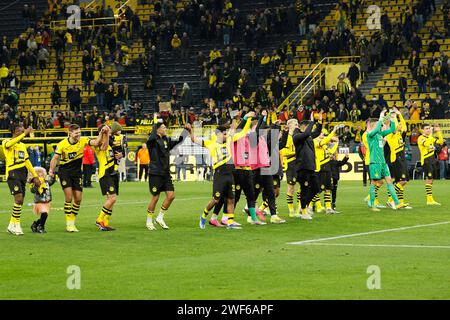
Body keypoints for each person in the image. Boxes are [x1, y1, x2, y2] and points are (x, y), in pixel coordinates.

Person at [188, 117, 251, 229]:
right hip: (220, 174)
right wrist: (190, 131)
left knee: (231, 199)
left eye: (226, 134)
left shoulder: (229, 141)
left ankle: (230, 223)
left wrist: (243, 119)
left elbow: (239, 131)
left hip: (230, 175)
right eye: (224, 134)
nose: (226, 136)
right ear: (218, 135)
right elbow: (194, 139)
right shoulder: (210, 144)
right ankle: (203, 216)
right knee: (216, 199)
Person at [49, 124, 106, 232]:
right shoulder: (62, 144)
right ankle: (69, 223)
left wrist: (101, 132)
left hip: (77, 173)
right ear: (70, 133)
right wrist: (51, 171)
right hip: (64, 172)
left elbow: (96, 142)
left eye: (79, 132)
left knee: (78, 198)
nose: (78, 135)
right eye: (76, 133)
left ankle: (72, 220)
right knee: (69, 197)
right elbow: (55, 158)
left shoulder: (83, 140)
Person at [145, 116, 189, 231]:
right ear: (157, 129)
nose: (165, 129)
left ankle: (160, 217)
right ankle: (149, 221)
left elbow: (179, 140)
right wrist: (157, 123)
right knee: (155, 198)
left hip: (165, 173)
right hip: (155, 173)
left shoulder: (166, 140)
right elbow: (152, 136)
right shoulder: (152, 141)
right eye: (163, 128)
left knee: (171, 196)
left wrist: (186, 131)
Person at [365, 110, 408, 211]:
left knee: (389, 181)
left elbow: (392, 129)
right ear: (372, 126)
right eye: (377, 125)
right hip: (374, 162)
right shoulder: (370, 135)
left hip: (383, 163)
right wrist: (381, 117)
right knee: (374, 182)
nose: (379, 126)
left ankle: (397, 203)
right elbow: (375, 130)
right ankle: (372, 204)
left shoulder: (380, 134)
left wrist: (392, 118)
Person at [3, 125, 41, 235]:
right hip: (12, 172)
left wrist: (35, 176)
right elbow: (9, 144)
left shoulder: (23, 146)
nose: (22, 132)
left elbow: (27, 161)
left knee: (21, 201)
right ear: (14, 132)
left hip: (22, 173)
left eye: (23, 131)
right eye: (20, 131)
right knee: (18, 199)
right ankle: (17, 225)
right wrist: (25, 133)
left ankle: (12, 224)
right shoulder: (6, 141)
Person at [291, 112, 322, 219]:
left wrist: (319, 122)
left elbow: (317, 132)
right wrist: (312, 121)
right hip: (302, 167)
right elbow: (306, 134)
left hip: (310, 167)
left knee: (316, 188)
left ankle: (303, 206)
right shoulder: (297, 136)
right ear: (303, 127)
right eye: (308, 126)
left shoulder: (308, 136)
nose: (310, 128)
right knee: (304, 189)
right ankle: (304, 212)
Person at [309, 125, 343, 215]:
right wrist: (333, 133)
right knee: (317, 189)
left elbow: (330, 152)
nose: (323, 135)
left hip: (327, 167)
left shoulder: (323, 144)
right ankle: (309, 205)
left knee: (328, 188)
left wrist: (336, 143)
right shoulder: (314, 141)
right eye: (322, 133)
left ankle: (328, 208)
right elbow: (325, 141)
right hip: (319, 168)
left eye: (324, 134)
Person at [94, 125, 122, 231]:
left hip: (112, 173)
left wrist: (120, 155)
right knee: (112, 198)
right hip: (105, 174)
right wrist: (104, 134)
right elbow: (104, 147)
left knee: (111, 200)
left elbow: (115, 156)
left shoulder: (111, 143)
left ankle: (105, 223)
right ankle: (99, 220)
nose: (110, 132)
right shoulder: (98, 142)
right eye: (108, 130)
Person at [385, 108, 412, 209]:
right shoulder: (390, 134)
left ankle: (400, 202)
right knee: (403, 181)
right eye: (398, 124)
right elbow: (395, 126)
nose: (400, 125)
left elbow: (404, 126)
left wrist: (399, 115)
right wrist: (394, 116)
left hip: (401, 158)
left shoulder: (399, 134)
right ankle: (390, 200)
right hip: (396, 158)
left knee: (402, 181)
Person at [417, 124, 444, 204]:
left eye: (429, 128)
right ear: (422, 130)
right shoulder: (420, 138)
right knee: (429, 178)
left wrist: (438, 131)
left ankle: (430, 199)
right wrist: (432, 132)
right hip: (426, 159)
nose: (428, 130)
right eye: (427, 129)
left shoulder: (431, 137)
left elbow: (441, 142)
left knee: (431, 179)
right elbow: (427, 144)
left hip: (432, 159)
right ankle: (429, 200)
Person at [279, 119, 300, 217]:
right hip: (291, 164)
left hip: (299, 163)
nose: (297, 125)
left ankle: (300, 208)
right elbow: (284, 152)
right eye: (295, 124)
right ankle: (291, 210)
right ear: (290, 125)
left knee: (302, 186)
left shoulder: (298, 136)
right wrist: (295, 153)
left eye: (297, 124)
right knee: (291, 188)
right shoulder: (286, 137)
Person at [30, 167, 55, 233]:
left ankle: (35, 224)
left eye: (42, 175)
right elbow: (32, 190)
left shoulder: (46, 182)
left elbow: (52, 181)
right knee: (44, 214)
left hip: (46, 201)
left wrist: (52, 176)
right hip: (39, 201)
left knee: (44, 215)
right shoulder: (34, 184)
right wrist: (37, 185)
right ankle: (41, 227)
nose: (40, 177)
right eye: (38, 176)